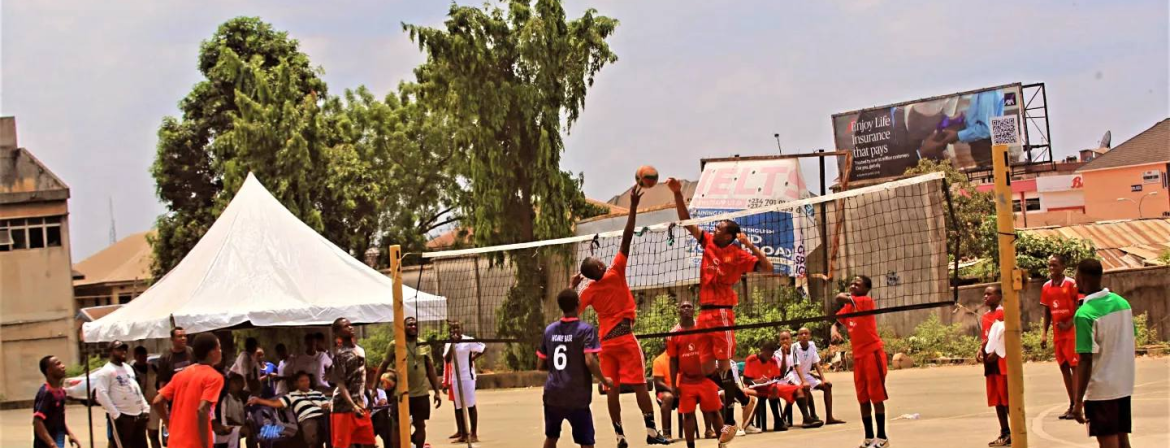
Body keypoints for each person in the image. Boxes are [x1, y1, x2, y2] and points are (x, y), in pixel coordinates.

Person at [668, 177, 772, 429]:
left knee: (724, 365)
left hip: (722, 313)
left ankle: (730, 419)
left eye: (719, 228)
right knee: (706, 369)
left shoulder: (738, 254)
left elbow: (768, 267)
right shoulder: (708, 243)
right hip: (703, 315)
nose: (714, 230)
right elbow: (686, 221)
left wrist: (750, 245)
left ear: (730, 236)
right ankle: (744, 399)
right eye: (714, 227)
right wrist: (677, 193)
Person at [575, 185, 670, 447]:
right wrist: (633, 207)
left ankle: (619, 436)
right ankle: (651, 432)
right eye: (598, 260)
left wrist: (573, 286)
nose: (601, 260)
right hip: (625, 338)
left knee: (612, 390)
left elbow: (572, 310)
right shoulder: (615, 271)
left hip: (606, 343)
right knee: (640, 385)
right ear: (599, 266)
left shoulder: (588, 290)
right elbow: (627, 237)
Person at [1071, 259, 1136, 448]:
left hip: (1101, 390)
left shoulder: (1085, 314)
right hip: (1123, 385)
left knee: (1108, 441)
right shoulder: (1123, 303)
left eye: (1076, 275)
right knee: (1122, 440)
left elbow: (1085, 359)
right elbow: (1131, 337)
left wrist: (1077, 401)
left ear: (1081, 278)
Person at [539, 288, 613, 448]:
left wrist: (559, 371)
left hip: (553, 394)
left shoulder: (549, 330)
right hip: (576, 396)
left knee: (551, 437)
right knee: (586, 443)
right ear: (578, 304)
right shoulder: (585, 330)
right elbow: (590, 361)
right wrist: (604, 380)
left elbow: (541, 365)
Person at [831, 276, 889, 448]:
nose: (853, 286)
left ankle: (882, 438)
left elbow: (838, 297)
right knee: (863, 398)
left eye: (857, 284)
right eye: (852, 283)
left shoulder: (865, 301)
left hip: (873, 354)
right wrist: (834, 330)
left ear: (866, 289)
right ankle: (869, 438)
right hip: (858, 357)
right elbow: (836, 323)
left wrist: (847, 295)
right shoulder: (849, 307)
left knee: (876, 397)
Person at [669, 300, 736, 448]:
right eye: (683, 306)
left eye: (689, 306)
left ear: (694, 310)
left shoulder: (702, 327)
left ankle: (722, 445)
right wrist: (673, 385)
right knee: (688, 415)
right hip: (687, 380)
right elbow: (673, 361)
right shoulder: (673, 333)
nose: (686, 309)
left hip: (707, 379)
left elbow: (715, 347)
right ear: (679, 311)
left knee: (714, 412)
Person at [379, 316, 443, 448]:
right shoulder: (395, 344)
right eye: (409, 325)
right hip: (401, 394)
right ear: (403, 327)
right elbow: (384, 364)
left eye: (415, 324)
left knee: (420, 425)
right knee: (398, 426)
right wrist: (374, 388)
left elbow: (430, 368)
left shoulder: (423, 344)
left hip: (421, 393)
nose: (413, 327)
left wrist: (437, 391)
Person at [153, 332, 225, 448]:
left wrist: (169, 424)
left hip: (175, 442)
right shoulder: (214, 377)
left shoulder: (181, 375)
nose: (221, 351)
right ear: (212, 352)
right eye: (219, 348)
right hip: (195, 443)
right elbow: (202, 410)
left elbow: (157, 401)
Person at [1040, 254, 1081, 420]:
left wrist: (1069, 323)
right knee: (1064, 367)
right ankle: (1071, 403)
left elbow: (1079, 305)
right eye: (1050, 265)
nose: (1052, 268)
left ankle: (1078, 405)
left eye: (1055, 265)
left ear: (1063, 267)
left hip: (1071, 332)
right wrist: (1044, 333)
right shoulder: (1046, 287)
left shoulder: (1071, 284)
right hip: (1058, 333)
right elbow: (1047, 311)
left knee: (1075, 367)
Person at [745, 338, 818, 429]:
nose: (769, 356)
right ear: (762, 350)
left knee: (798, 389)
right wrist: (758, 381)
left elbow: (780, 376)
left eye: (771, 354)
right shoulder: (751, 360)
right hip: (756, 388)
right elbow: (746, 380)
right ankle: (777, 421)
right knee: (773, 388)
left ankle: (806, 418)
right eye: (767, 354)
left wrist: (783, 356)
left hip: (771, 386)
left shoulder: (773, 361)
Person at [249, 372, 331, 448]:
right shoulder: (291, 395)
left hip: (322, 417)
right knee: (311, 429)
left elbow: (326, 406)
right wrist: (258, 400)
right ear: (296, 383)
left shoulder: (318, 394)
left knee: (329, 425)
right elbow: (276, 403)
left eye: (307, 380)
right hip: (307, 420)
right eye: (302, 381)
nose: (305, 383)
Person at [328, 318, 376, 448]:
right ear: (337, 333)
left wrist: (369, 399)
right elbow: (340, 384)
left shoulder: (360, 350)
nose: (350, 327)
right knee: (344, 445)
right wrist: (353, 406)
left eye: (350, 325)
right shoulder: (340, 355)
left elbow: (362, 376)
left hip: (359, 403)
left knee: (369, 442)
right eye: (345, 326)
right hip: (343, 406)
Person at [95, 340, 151, 448]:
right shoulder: (107, 371)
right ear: (111, 351)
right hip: (122, 416)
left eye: (124, 349)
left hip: (138, 415)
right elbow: (100, 394)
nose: (123, 351)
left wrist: (145, 407)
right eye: (119, 349)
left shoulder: (128, 368)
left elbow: (135, 388)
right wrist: (116, 414)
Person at [787, 327, 845, 425]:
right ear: (798, 337)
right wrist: (804, 381)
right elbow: (796, 365)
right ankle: (806, 419)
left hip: (806, 374)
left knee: (827, 386)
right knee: (805, 388)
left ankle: (829, 418)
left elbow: (816, 363)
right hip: (795, 374)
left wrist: (823, 379)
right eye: (801, 334)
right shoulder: (794, 347)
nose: (804, 336)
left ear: (810, 335)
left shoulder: (812, 345)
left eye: (806, 333)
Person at [442, 320, 486, 443]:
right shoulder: (449, 343)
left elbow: (483, 348)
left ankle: (474, 434)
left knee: (470, 405)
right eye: (452, 329)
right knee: (459, 406)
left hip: (467, 377)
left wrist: (473, 358)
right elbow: (447, 359)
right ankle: (463, 434)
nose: (455, 331)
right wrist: (452, 344)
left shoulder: (468, 340)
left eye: (457, 328)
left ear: (461, 329)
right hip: (455, 378)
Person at [978, 285, 1011, 447]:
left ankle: (1015, 431)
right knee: (996, 399)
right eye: (984, 294)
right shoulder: (985, 316)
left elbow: (1006, 337)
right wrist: (980, 350)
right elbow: (986, 338)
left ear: (999, 296)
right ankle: (1004, 432)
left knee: (1007, 400)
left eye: (989, 294)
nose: (986, 297)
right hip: (989, 364)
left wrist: (997, 353)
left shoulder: (1004, 313)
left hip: (1001, 363)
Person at [34, 355, 81, 448]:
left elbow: (59, 419)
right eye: (58, 364)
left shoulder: (61, 391)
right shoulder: (46, 393)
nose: (63, 366)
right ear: (49, 370)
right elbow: (38, 422)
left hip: (58, 440)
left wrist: (70, 434)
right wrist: (52, 444)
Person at [131, 346, 163, 448]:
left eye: (144, 355)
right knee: (139, 436)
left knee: (154, 434)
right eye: (139, 356)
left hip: (153, 404)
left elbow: (159, 384)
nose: (142, 358)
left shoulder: (152, 368)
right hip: (138, 406)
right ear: (135, 356)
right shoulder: (131, 371)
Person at [211, 375, 249, 448]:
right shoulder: (227, 399)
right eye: (236, 383)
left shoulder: (239, 400)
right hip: (228, 426)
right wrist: (240, 425)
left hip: (234, 426)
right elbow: (228, 419)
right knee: (245, 431)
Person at [650, 351, 675, 440]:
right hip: (663, 392)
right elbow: (658, 383)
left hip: (681, 390)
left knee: (704, 391)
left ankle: (708, 429)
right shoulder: (659, 361)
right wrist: (672, 390)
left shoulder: (683, 358)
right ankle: (666, 433)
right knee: (668, 397)